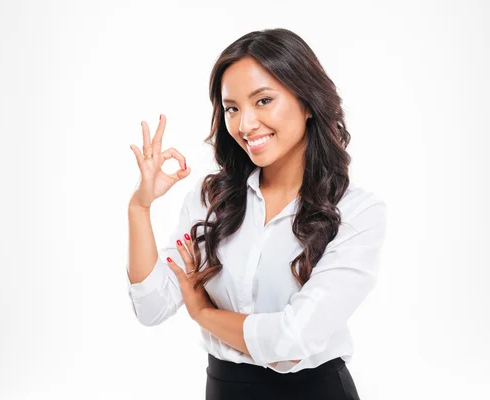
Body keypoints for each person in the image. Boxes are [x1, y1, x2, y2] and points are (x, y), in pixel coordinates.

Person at [126, 28, 387, 400]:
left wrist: (203, 313)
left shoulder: (357, 212)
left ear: (308, 101)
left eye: (263, 101)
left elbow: (294, 339)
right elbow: (152, 308)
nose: (245, 124)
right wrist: (140, 207)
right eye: (232, 108)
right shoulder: (211, 202)